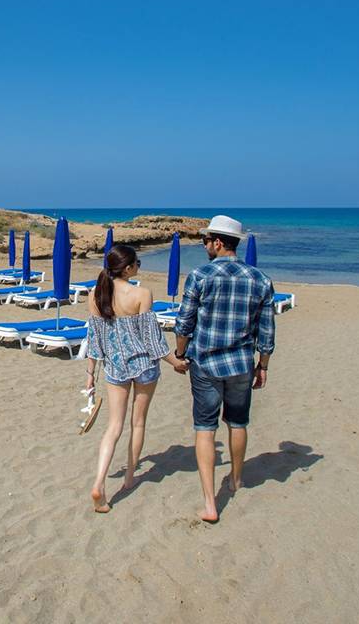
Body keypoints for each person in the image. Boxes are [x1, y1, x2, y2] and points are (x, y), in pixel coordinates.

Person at [173, 215, 275, 523]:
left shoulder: (200, 276)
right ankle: (236, 478)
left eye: (206, 240)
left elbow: (184, 323)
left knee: (205, 428)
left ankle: (209, 502)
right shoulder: (260, 279)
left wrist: (179, 353)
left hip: (205, 361)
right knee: (238, 422)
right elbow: (266, 331)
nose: (204, 244)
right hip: (242, 363)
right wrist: (263, 365)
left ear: (218, 242)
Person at [84, 243, 186, 513]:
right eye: (137, 263)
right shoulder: (142, 293)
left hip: (114, 367)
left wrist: (90, 375)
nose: (139, 266)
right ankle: (130, 477)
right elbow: (153, 342)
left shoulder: (95, 295)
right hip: (143, 367)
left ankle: (99, 483)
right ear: (127, 268)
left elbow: (94, 341)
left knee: (113, 426)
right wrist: (177, 362)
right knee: (137, 423)